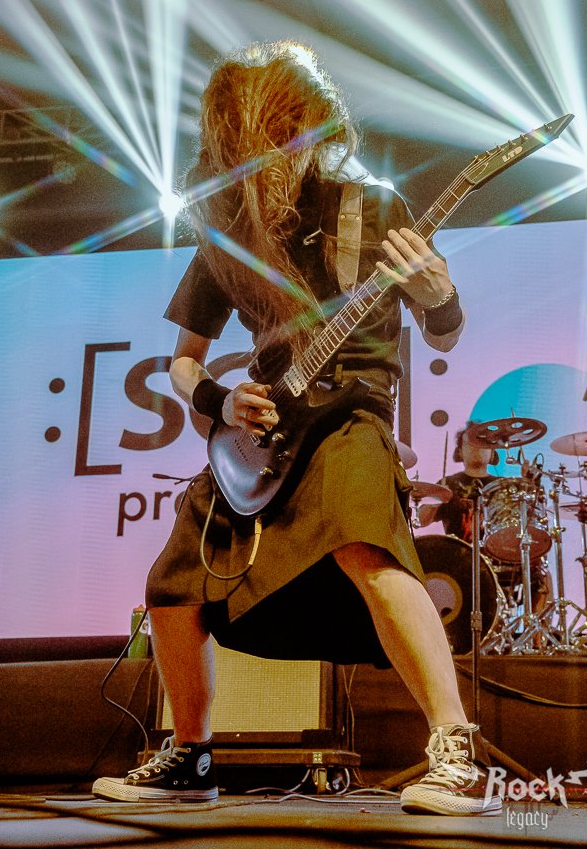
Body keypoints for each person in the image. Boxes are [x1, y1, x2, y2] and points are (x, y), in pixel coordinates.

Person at [92, 41, 501, 817]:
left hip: (352, 415)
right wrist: (219, 401)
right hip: (266, 433)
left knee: (366, 547)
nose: (278, 152)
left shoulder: (370, 207)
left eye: (289, 132)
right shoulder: (225, 231)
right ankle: (190, 755)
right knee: (172, 584)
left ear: (316, 126)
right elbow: (182, 362)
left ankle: (453, 750)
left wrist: (438, 291)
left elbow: (443, 332)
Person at [424, 422, 551, 616]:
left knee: (539, 570)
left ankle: (535, 632)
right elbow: (422, 519)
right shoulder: (447, 484)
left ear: (492, 452)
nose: (477, 448)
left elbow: (527, 522)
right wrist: (435, 501)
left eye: (483, 443)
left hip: (499, 557)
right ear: (460, 451)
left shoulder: (503, 485)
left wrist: (530, 485)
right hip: (459, 561)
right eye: (471, 442)